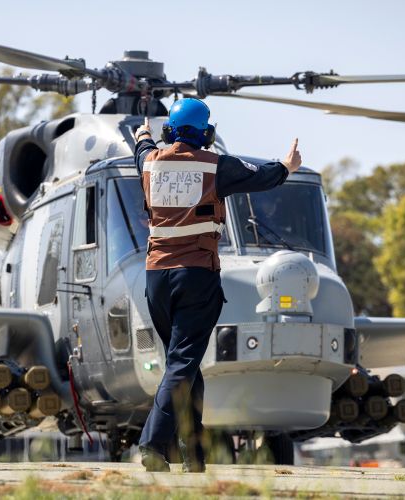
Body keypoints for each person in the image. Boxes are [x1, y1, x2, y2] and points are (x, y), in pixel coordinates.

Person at [132, 98, 303, 472]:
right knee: (182, 363)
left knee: (184, 364)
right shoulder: (215, 166)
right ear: (207, 133)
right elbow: (262, 175)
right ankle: (153, 444)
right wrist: (288, 166)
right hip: (196, 276)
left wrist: (143, 132)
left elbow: (142, 144)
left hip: (156, 278)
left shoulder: (148, 161)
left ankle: (194, 454)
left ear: (168, 132)